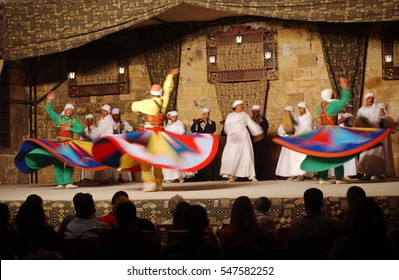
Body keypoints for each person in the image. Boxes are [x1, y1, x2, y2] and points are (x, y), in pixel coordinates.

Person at [91, 68, 218, 192]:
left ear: (151, 93)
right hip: (161, 134)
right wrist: (169, 77)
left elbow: (134, 105)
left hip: (150, 134)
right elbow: (168, 91)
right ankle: (159, 183)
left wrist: (137, 111)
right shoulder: (163, 101)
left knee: (144, 157)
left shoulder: (149, 103)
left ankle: (148, 182)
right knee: (158, 159)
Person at [273, 78, 391, 185]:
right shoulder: (334, 105)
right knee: (338, 154)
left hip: (322, 131)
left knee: (324, 155)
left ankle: (323, 178)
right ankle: (339, 178)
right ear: (331, 95)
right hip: (333, 131)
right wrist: (345, 87)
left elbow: (322, 114)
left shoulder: (320, 105)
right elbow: (345, 100)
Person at [14, 93, 106, 188]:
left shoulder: (73, 121)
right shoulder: (59, 119)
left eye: (71, 110)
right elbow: (50, 111)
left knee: (70, 161)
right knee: (58, 162)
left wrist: (69, 128)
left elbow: (80, 130)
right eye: (68, 109)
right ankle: (60, 183)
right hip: (59, 143)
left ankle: (68, 182)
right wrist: (49, 100)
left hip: (69, 143)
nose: (69, 111)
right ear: (65, 110)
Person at [287, 188, 343, 259]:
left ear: (305, 205)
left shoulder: (295, 226)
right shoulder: (333, 225)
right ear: (322, 204)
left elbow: (288, 250)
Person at [219, 100, 263, 182]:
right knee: (231, 156)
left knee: (247, 155)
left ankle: (251, 176)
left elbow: (251, 124)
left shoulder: (245, 115)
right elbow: (226, 127)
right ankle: (231, 176)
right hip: (232, 138)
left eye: (242, 105)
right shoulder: (230, 116)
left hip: (243, 137)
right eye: (240, 105)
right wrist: (231, 134)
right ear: (235, 106)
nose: (242, 107)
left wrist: (258, 132)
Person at [356, 93, 385, 180]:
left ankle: (378, 173)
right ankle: (367, 174)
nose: (370, 100)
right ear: (366, 100)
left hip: (376, 133)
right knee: (366, 154)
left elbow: (384, 119)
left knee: (377, 154)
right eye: (368, 98)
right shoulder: (361, 110)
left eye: (372, 98)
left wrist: (383, 115)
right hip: (365, 134)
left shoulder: (378, 109)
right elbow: (358, 121)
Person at [190, 108, 219, 181]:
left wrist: (206, 122)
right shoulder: (199, 122)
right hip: (201, 143)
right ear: (203, 114)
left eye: (208, 114)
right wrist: (196, 123)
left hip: (209, 142)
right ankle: (202, 177)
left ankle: (211, 176)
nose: (207, 116)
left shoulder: (212, 123)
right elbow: (193, 130)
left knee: (210, 159)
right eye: (205, 114)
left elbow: (212, 130)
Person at [250, 105, 275, 180]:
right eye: (253, 112)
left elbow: (265, 129)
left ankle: (265, 175)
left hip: (262, 143)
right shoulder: (250, 120)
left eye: (256, 112)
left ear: (259, 112)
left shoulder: (263, 120)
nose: (255, 114)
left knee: (263, 159)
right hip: (253, 143)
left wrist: (259, 124)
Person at [95, 104, 118, 184]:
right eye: (102, 111)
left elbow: (109, 132)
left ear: (108, 112)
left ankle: (109, 177)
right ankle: (102, 178)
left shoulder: (109, 121)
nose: (103, 112)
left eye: (105, 111)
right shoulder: (101, 120)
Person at [162, 111, 186, 183]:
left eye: (176, 117)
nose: (174, 118)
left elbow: (181, 135)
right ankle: (169, 177)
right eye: (173, 117)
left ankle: (179, 177)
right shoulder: (168, 126)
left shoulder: (179, 126)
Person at [111, 108, 133, 183]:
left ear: (119, 115)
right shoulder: (111, 123)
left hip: (123, 144)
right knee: (115, 162)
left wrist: (124, 127)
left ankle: (126, 178)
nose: (115, 117)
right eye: (114, 115)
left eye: (117, 115)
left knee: (124, 160)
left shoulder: (123, 122)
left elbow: (130, 129)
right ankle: (116, 178)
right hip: (114, 145)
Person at [377, 103, 396, 178]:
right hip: (378, 137)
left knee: (386, 152)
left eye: (380, 109)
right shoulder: (376, 117)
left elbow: (393, 129)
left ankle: (386, 172)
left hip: (385, 139)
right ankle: (377, 171)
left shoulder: (388, 118)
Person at [80, 114, 100, 183]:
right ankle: (85, 178)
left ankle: (91, 178)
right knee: (84, 163)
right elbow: (81, 139)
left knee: (91, 162)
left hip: (92, 148)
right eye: (88, 121)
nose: (89, 122)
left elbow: (96, 137)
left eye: (90, 120)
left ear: (92, 121)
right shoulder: (84, 130)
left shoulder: (96, 129)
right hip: (85, 148)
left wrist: (89, 135)